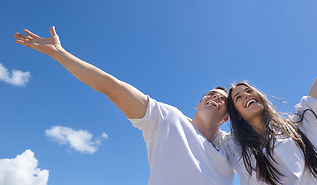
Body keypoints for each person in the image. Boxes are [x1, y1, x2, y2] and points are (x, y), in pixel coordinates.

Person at [14, 27, 234, 185]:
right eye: (211, 94)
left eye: (223, 99)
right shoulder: (166, 119)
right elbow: (111, 86)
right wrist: (58, 53)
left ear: (227, 118)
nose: (216, 98)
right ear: (197, 104)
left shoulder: (232, 145)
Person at [222, 33, 317, 185]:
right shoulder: (234, 146)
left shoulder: (300, 123)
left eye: (248, 91)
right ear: (237, 115)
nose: (246, 96)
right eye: (238, 97)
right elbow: (196, 129)